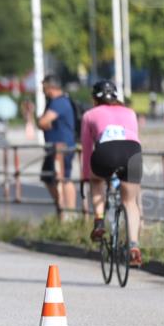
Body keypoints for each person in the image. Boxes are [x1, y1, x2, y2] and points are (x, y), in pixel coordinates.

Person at [81, 80, 143, 267]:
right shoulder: (130, 112)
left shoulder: (90, 115)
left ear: (94, 99)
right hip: (132, 152)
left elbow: (86, 149)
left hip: (105, 153)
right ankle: (134, 245)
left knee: (96, 180)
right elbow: (134, 137)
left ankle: (99, 221)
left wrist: (85, 176)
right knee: (130, 202)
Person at [36, 75, 77, 220]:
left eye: (44, 88)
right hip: (54, 147)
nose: (42, 91)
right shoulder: (55, 102)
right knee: (48, 177)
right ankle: (62, 208)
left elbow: (44, 122)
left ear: (50, 87)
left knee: (64, 177)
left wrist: (42, 122)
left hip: (62, 147)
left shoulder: (58, 102)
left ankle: (69, 212)